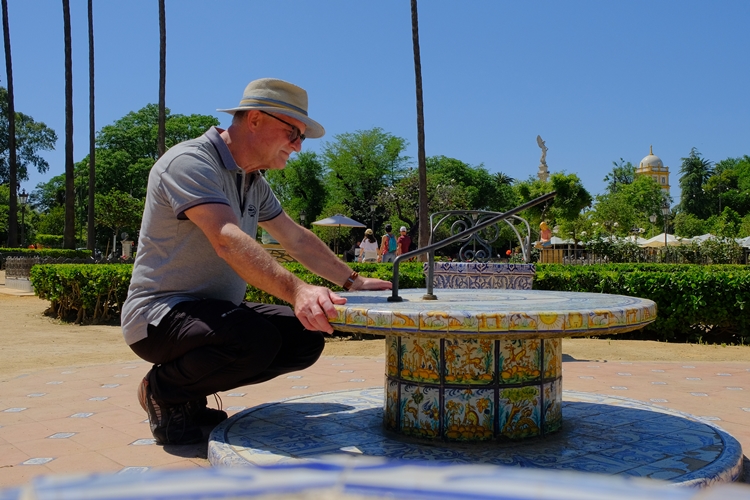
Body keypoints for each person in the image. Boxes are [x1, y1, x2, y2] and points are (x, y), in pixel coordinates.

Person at [121, 78, 392, 445]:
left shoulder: (253, 181)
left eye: (301, 138)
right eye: (292, 133)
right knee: (254, 339)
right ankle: (163, 390)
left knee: (304, 337)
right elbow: (226, 239)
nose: (298, 146)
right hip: (158, 315)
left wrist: (353, 281)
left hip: (215, 313)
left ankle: (187, 392)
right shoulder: (190, 161)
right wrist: (297, 290)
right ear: (254, 119)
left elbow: (295, 238)